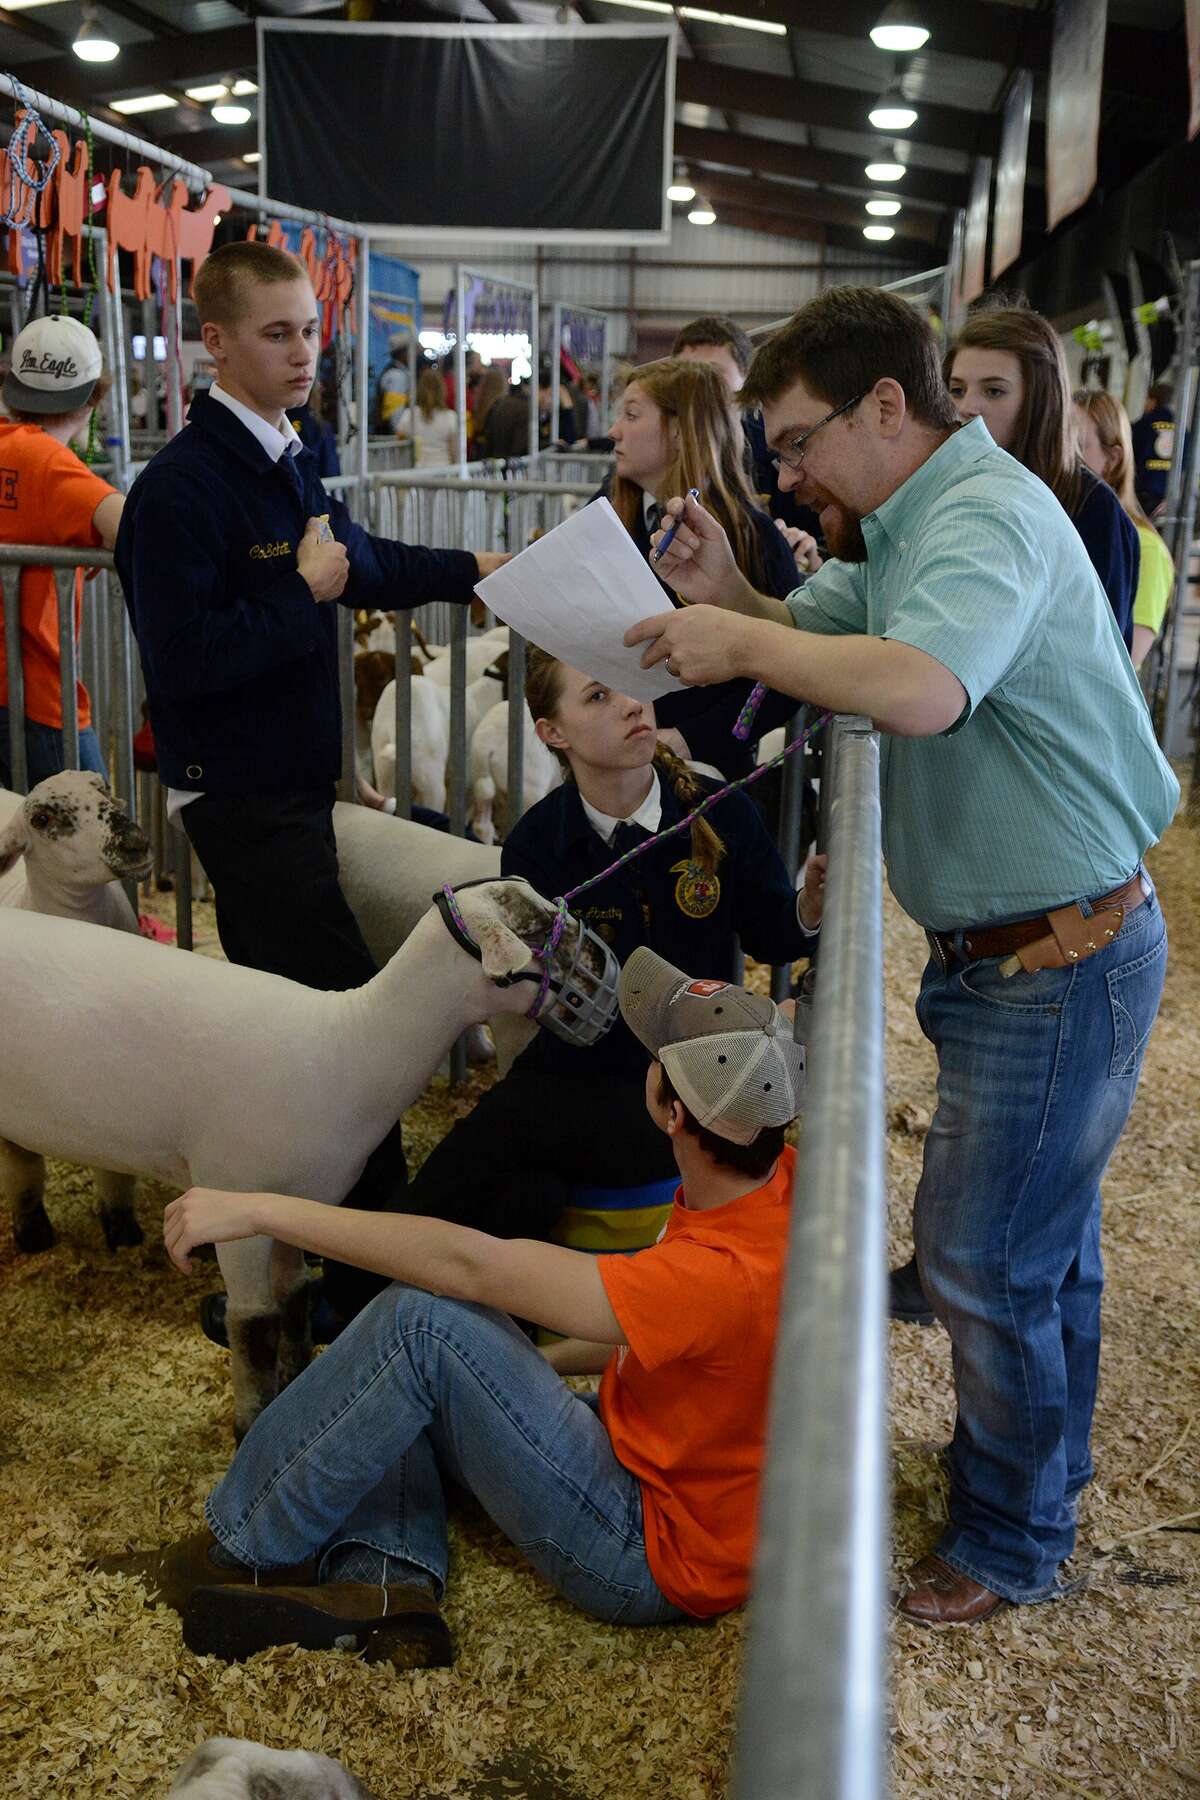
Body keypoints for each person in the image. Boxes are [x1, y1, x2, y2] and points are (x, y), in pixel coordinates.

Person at [625, 284, 1178, 1626]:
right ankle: (1041, 1477)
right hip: (1037, 943)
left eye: (802, 438)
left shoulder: (979, 516)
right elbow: (848, 622)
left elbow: (924, 685)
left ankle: (1012, 1537)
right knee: (1047, 1251)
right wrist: (742, 590)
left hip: (1056, 955)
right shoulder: (920, 515)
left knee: (983, 1259)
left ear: (886, 406)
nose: (790, 467)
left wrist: (740, 636)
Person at [93, 948, 806, 1666]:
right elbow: (662, 1339)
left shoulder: (711, 1275)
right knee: (421, 1353)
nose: (641, 1054)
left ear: (672, 1111)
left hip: (641, 1548)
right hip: (663, 1467)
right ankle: (382, 1584)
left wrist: (262, 1209)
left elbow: (468, 1266)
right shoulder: (778, 1184)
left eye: (655, 1049)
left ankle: (238, 1548)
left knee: (420, 1322)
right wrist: (516, 1368)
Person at [115, 240, 507, 1320]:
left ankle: (331, 1252)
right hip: (236, 793)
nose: (304, 353)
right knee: (339, 1028)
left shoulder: (294, 451)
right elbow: (183, 665)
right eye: (279, 334)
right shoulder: (179, 491)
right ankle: (375, 1271)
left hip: (300, 790)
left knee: (319, 1022)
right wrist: (303, 591)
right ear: (216, 343)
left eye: (310, 331)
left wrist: (477, 573)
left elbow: (358, 560)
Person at [386, 645, 822, 1248]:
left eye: (630, 687)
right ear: (552, 732)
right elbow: (548, 995)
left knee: (503, 1128)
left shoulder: (720, 811)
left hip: (692, 1088)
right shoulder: (537, 843)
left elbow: (775, 938)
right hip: (582, 1070)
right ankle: (416, 1294)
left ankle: (359, 1286)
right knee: (527, 1195)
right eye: (599, 695)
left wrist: (811, 904)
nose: (632, 707)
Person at [604, 355, 802, 778]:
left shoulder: (755, 539)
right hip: (609, 766)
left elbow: (784, 676)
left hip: (707, 779)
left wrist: (691, 737)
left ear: (679, 431)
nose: (613, 431)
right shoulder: (609, 523)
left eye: (632, 415)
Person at [945, 304, 1139, 650]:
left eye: (993, 391)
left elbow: (1101, 656)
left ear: (1039, 399)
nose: (967, 406)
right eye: (957, 389)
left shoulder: (1093, 506)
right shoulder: (952, 489)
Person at [0, 314, 124, 790]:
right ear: (92, 398)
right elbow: (133, 527)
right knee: (98, 853)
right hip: (41, 700)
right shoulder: (50, 464)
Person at [671, 313, 822, 556]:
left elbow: (823, 541)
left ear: (746, 380)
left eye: (713, 375)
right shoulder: (654, 450)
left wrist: (810, 550)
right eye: (684, 377)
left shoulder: (783, 453)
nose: (697, 389)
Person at [1075, 389, 1175, 669]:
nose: (1060, 458)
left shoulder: (1147, 549)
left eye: (1078, 447)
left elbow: (1121, 666)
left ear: (1113, 459)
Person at [1129, 381, 1175, 518]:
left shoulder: (1141, 426)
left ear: (1153, 400)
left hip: (1142, 497)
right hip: (1168, 500)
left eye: (1146, 400)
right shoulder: (1183, 430)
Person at [403, 366, 458, 468]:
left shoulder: (408, 415)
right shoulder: (450, 417)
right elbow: (454, 452)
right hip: (443, 470)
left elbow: (401, 440)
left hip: (416, 471)